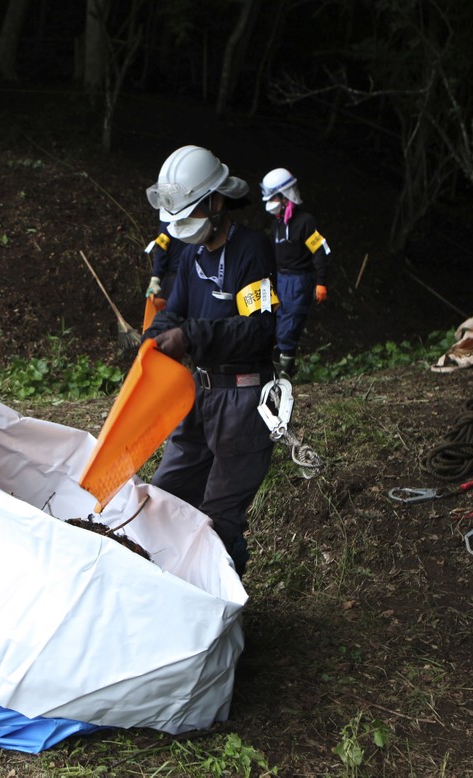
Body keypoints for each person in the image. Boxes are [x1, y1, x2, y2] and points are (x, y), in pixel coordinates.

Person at [143, 145, 280, 577]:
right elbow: (174, 310)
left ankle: (221, 612)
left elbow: (260, 329)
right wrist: (155, 334)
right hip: (199, 396)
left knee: (217, 521)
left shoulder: (251, 252)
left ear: (217, 202)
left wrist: (191, 336)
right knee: (164, 497)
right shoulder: (190, 255)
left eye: (191, 215)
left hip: (242, 401)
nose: (184, 229)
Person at [259, 167, 330, 378]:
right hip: (279, 279)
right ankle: (273, 370)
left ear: (285, 196)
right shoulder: (277, 224)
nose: (270, 203)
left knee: (288, 328)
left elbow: (320, 251)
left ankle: (285, 374)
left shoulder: (305, 222)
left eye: (273, 198)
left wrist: (321, 281)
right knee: (273, 324)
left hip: (299, 281)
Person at [143, 219, 187, 300]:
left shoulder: (169, 219)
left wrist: (156, 278)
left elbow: (161, 250)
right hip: (193, 277)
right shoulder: (200, 215)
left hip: (175, 279)